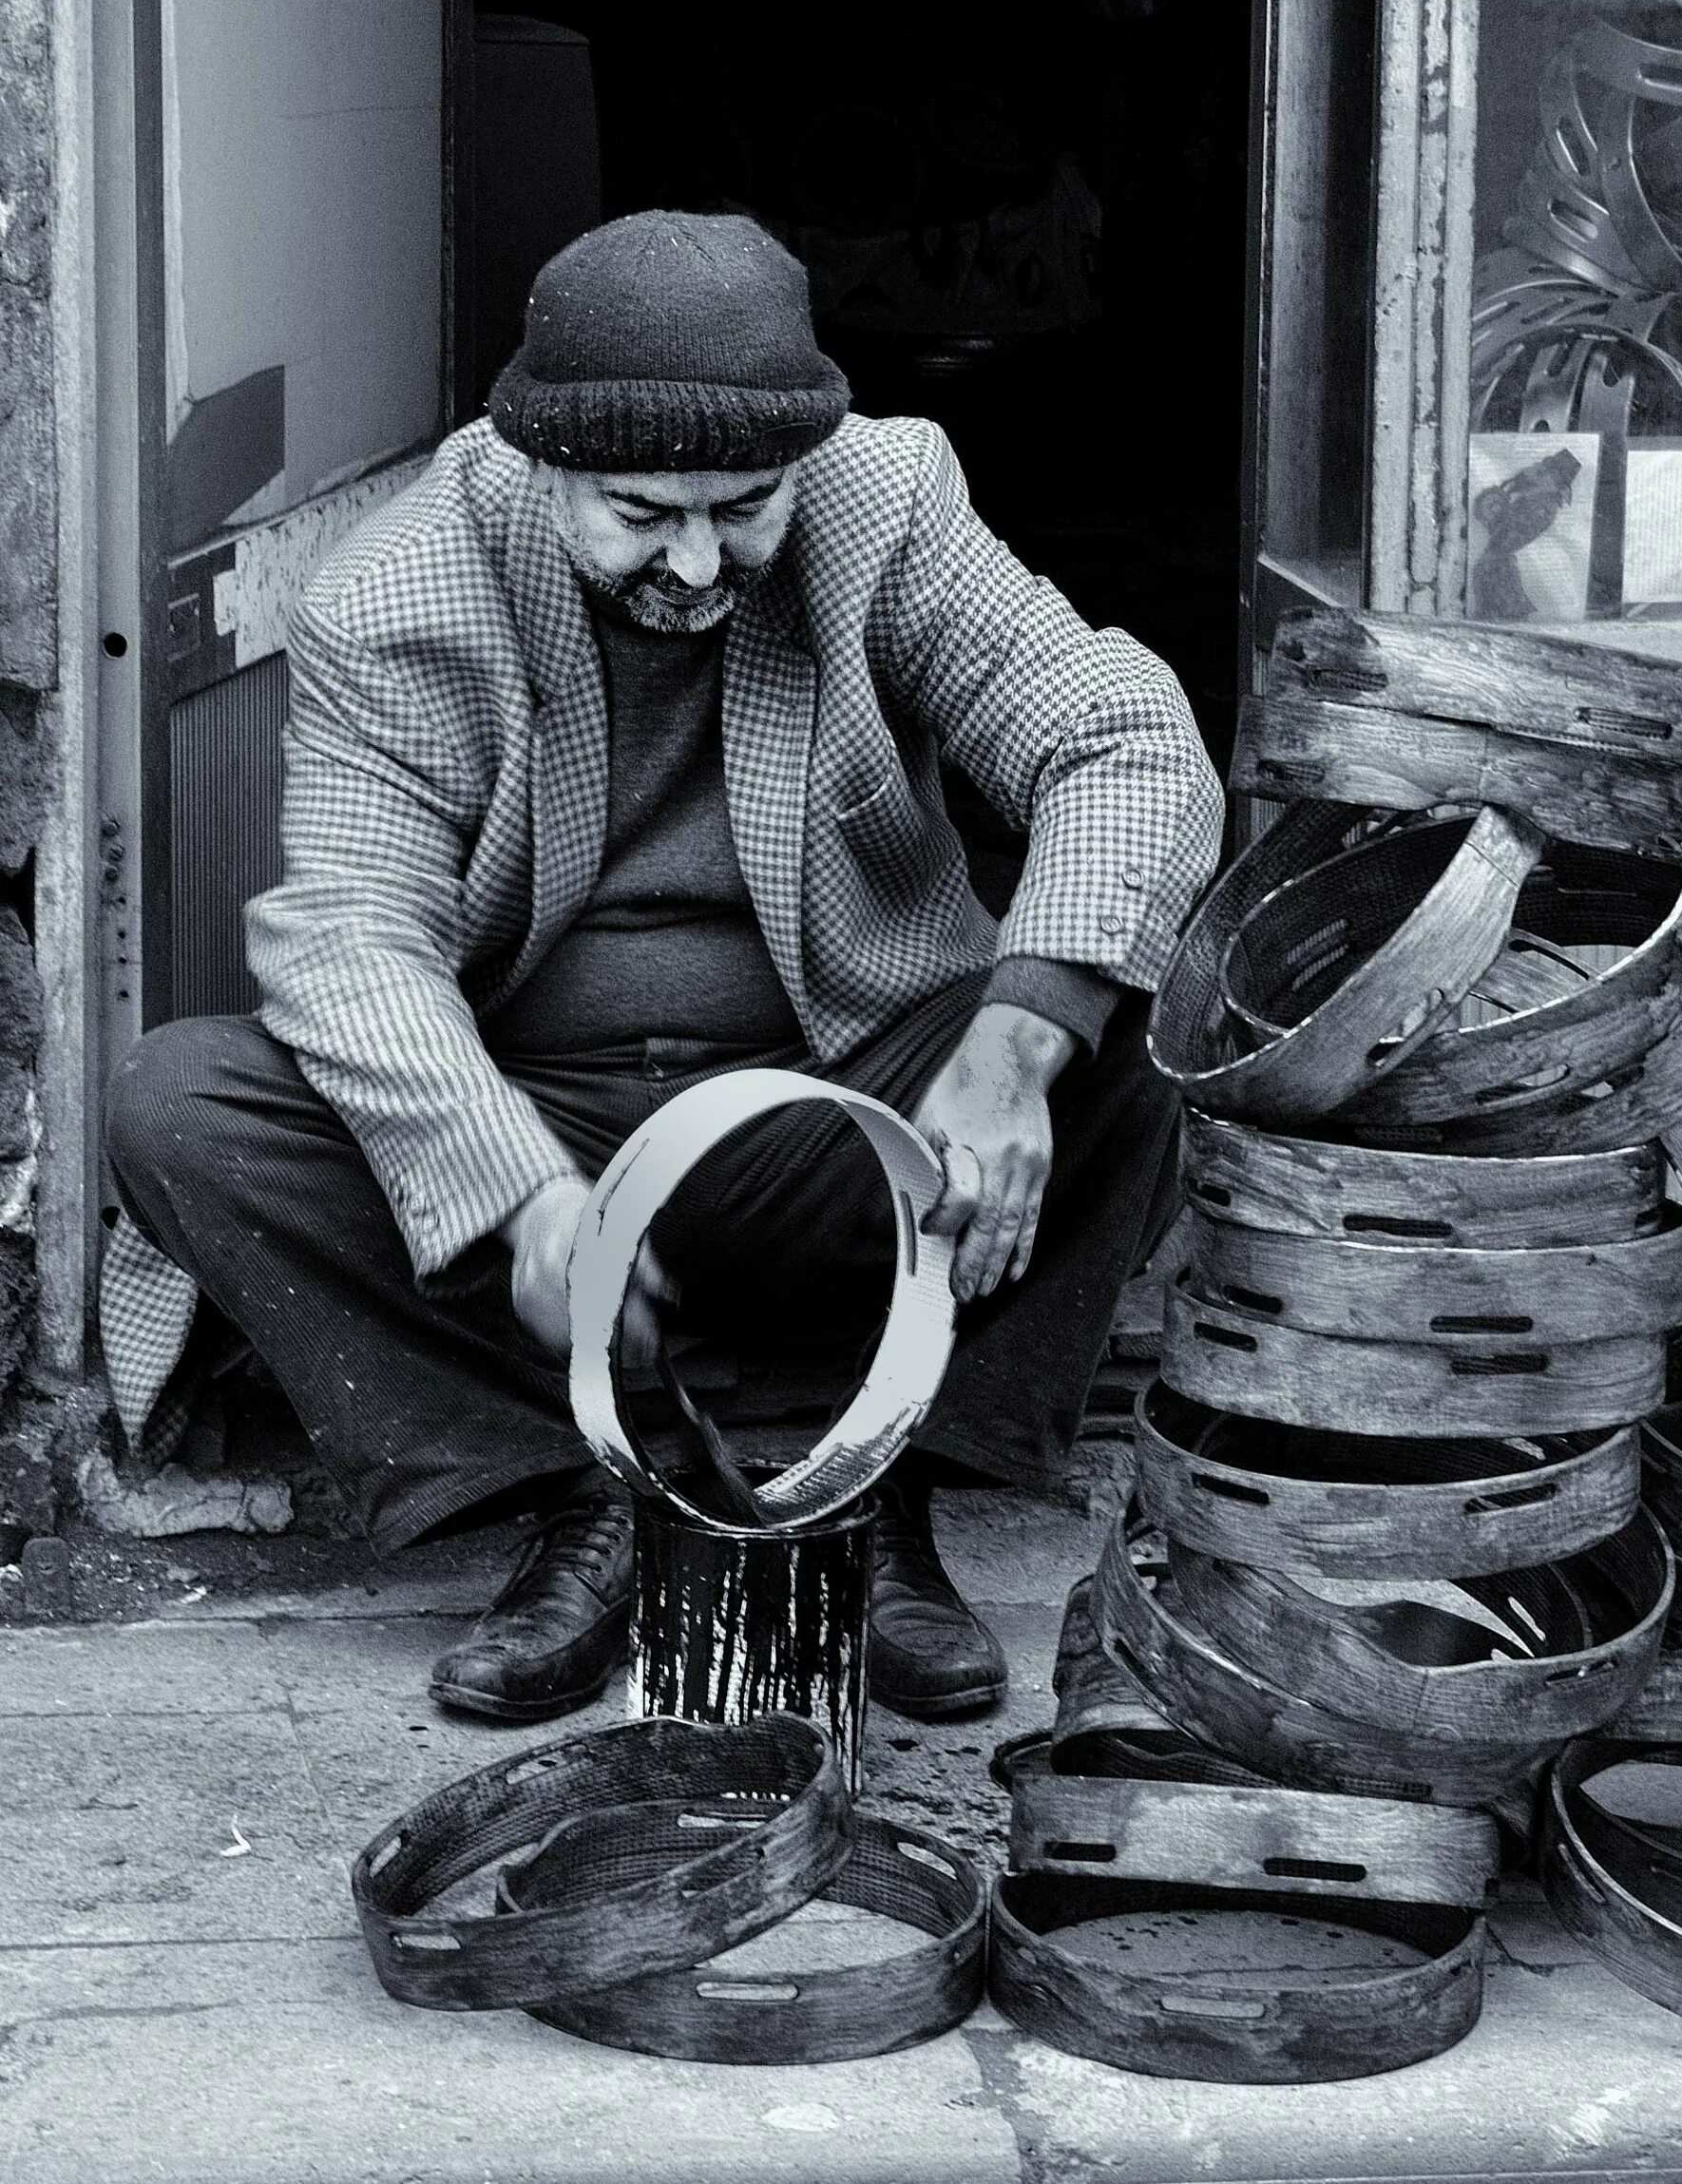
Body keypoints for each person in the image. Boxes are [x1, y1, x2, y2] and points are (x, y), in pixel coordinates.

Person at [102, 212, 1225, 1726]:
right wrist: (515, 1188)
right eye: (642, 514)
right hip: (547, 1121)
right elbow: (351, 933)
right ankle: (573, 1495)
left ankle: (881, 1481)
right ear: (543, 466)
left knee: (1149, 1011)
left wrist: (1018, 1042)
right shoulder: (404, 587)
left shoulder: (884, 505)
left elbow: (1128, 740)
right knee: (181, 1104)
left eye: (743, 508)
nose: (700, 561)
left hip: (848, 1109)